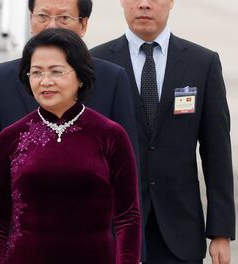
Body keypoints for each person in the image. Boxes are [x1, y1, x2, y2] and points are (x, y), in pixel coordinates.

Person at [0, 0, 139, 262]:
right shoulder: (10, 135)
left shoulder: (110, 131)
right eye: (36, 73)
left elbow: (128, 214)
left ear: (79, 76)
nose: (46, 81)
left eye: (56, 72)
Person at [90, 1, 235, 263]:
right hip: (114, 226)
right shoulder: (95, 63)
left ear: (171, 2)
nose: (144, 4)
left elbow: (217, 153)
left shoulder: (202, 63)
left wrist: (221, 232)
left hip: (180, 228)